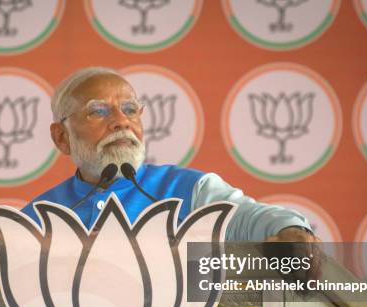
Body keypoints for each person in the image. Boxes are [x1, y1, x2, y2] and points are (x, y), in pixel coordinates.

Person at [21, 66, 316, 243]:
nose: (121, 121)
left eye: (130, 110)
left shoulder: (190, 190)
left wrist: (291, 230)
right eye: (98, 111)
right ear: (62, 137)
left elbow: (253, 219)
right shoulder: (37, 217)